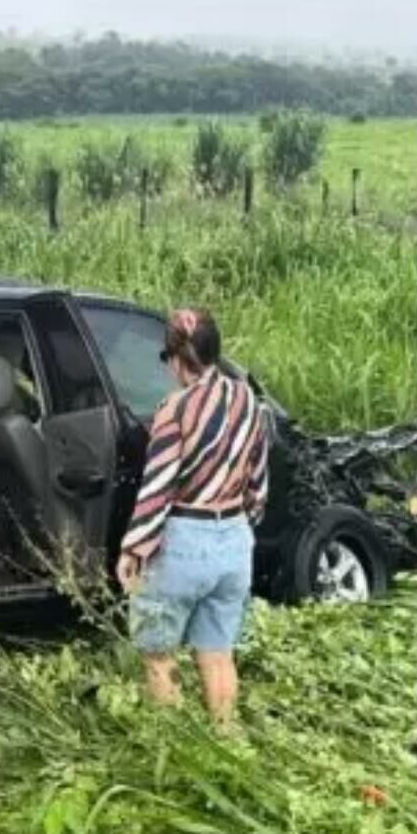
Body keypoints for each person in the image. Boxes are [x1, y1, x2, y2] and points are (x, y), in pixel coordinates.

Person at [115, 307, 270, 730]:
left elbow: (158, 486)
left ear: (178, 359)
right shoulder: (249, 403)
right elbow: (258, 482)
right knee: (218, 655)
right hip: (235, 540)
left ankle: (176, 751)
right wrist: (242, 522)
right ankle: (224, 740)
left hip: (184, 540)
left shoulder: (174, 409)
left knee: (158, 656)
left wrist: (134, 549)